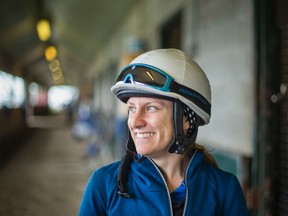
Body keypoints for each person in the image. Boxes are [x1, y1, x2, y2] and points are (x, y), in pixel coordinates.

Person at [78, 48, 249, 215]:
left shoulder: (225, 190)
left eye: (151, 108)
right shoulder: (103, 185)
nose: (135, 122)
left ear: (187, 119)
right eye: (131, 109)